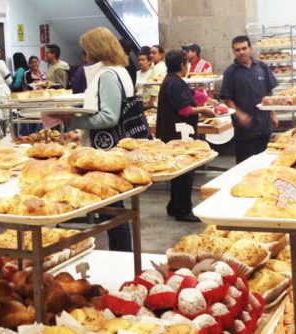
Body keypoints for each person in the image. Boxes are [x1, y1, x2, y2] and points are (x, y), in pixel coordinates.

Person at [57, 27, 149, 251]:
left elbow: (109, 116)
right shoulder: (121, 70)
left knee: (111, 210)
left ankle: (121, 255)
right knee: (115, 208)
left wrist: (73, 120)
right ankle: (123, 254)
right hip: (118, 146)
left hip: (106, 149)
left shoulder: (107, 75)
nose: (85, 54)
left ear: (96, 49)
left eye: (86, 49)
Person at [157, 50, 214, 222]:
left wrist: (208, 100)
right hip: (179, 135)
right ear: (183, 65)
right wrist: (204, 110)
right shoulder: (173, 83)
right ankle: (183, 210)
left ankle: (174, 206)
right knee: (185, 173)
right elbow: (184, 109)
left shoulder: (173, 80)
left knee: (179, 172)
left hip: (175, 133)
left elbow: (190, 94)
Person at [218, 35, 279, 163]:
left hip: (263, 125)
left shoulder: (261, 67)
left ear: (250, 49)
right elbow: (227, 98)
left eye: (244, 48)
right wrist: (240, 115)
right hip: (244, 129)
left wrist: (273, 112)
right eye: (237, 50)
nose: (241, 52)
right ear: (233, 51)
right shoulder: (230, 72)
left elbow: (269, 91)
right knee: (245, 165)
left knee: (265, 163)